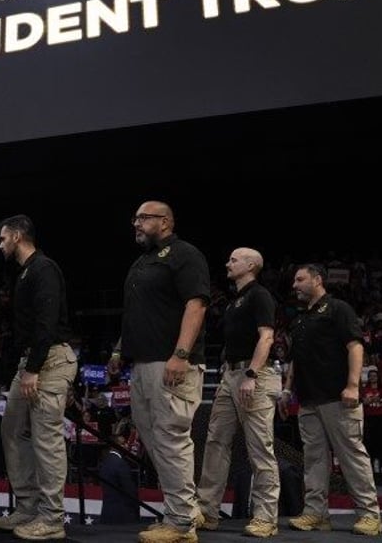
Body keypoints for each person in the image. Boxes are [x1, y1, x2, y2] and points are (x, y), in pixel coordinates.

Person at [108, 200, 210, 543]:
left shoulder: (185, 254)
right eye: (134, 217)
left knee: (170, 439)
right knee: (155, 442)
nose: (135, 223)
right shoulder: (143, 261)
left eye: (143, 218)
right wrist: (120, 349)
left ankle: (181, 525)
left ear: (164, 222)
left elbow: (196, 306)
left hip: (170, 363)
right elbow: (139, 313)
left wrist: (180, 355)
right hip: (142, 364)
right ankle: (183, 509)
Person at [279, 263, 382, 536]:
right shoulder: (300, 319)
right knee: (314, 460)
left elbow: (355, 346)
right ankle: (316, 514)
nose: (295, 285)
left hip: (338, 397)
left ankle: (370, 515)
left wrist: (352, 385)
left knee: (351, 456)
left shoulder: (338, 308)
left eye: (300, 279)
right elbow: (295, 361)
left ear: (317, 279)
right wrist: (288, 390)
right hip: (308, 400)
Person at [0, 214, 78, 540]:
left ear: (17, 235)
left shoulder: (43, 268)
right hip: (32, 360)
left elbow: (46, 322)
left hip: (49, 360)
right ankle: (28, 506)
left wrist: (33, 369)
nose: (0, 244)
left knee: (46, 440)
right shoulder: (23, 273)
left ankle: (52, 518)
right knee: (12, 430)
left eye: (3, 238)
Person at [196, 247, 281, 538]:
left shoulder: (260, 295)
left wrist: (251, 374)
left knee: (259, 447)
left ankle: (265, 518)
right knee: (215, 441)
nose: (227, 262)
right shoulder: (234, 302)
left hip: (252, 375)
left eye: (234, 259)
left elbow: (267, 337)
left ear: (251, 265)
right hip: (230, 374)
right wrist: (228, 370)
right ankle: (207, 511)